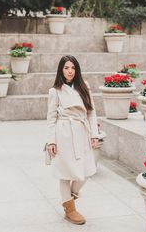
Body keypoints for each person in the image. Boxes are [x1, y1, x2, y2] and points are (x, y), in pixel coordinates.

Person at [46, 55, 99, 225]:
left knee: (86, 172)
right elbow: (51, 118)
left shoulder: (84, 87)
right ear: (61, 70)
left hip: (82, 132)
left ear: (77, 70)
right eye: (66, 68)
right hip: (64, 134)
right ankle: (70, 209)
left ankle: (69, 198)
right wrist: (51, 141)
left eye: (73, 68)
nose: (70, 71)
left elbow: (91, 112)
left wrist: (94, 134)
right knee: (65, 173)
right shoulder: (55, 91)